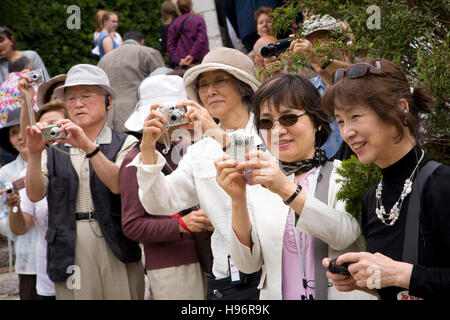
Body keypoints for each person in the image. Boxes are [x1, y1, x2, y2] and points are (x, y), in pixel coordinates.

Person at [214, 73, 374, 300]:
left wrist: (285, 189)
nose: (277, 131)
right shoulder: (256, 185)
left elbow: (344, 234)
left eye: (289, 118)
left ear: (317, 122)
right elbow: (247, 265)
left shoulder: (347, 173)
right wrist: (238, 199)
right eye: (267, 122)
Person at [129, 47, 263, 300]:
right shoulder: (198, 150)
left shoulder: (270, 130)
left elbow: (260, 174)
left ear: (244, 86)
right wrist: (147, 149)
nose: (210, 91)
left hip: (275, 270)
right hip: (226, 277)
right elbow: (161, 203)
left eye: (219, 81)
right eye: (203, 85)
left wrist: (214, 132)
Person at [321, 58, 450, 300]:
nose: (347, 132)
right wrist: (364, 283)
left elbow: (407, 276)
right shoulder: (373, 199)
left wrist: (400, 274)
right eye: (340, 120)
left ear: (401, 109)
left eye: (355, 116)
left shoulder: (441, 185)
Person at [25, 64, 145, 300]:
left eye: (87, 96)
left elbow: (119, 185)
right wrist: (35, 153)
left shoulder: (126, 142)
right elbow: (35, 194)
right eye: (71, 99)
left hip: (115, 240)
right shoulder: (53, 149)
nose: (78, 104)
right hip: (69, 242)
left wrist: (89, 147)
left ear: (108, 101)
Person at [121, 73, 214, 300]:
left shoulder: (193, 147)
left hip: (210, 256)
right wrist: (180, 225)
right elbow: (132, 225)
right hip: (171, 264)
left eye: (177, 113)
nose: (172, 119)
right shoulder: (135, 159)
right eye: (165, 114)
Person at [8, 100, 69, 300]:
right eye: (43, 127)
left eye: (54, 124)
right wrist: (14, 207)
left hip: (89, 270)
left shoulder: (88, 159)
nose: (49, 131)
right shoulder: (30, 173)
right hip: (50, 276)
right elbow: (20, 228)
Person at [0, 108, 39, 300]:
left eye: (22, 129)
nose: (20, 136)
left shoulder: (52, 161)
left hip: (61, 253)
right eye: (13, 132)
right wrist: (17, 213)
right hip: (28, 257)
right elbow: (3, 222)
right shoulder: (5, 174)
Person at [98, 31, 165, 132]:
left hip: (108, 119)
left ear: (122, 41)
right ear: (142, 42)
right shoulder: (148, 53)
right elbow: (162, 84)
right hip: (138, 117)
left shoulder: (104, 59)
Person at [167, 0, 209, 68]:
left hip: (182, 64)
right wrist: (191, 55)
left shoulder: (174, 24)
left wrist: (179, 60)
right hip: (200, 61)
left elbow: (170, 45)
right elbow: (201, 40)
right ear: (191, 6)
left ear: (179, 8)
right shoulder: (198, 20)